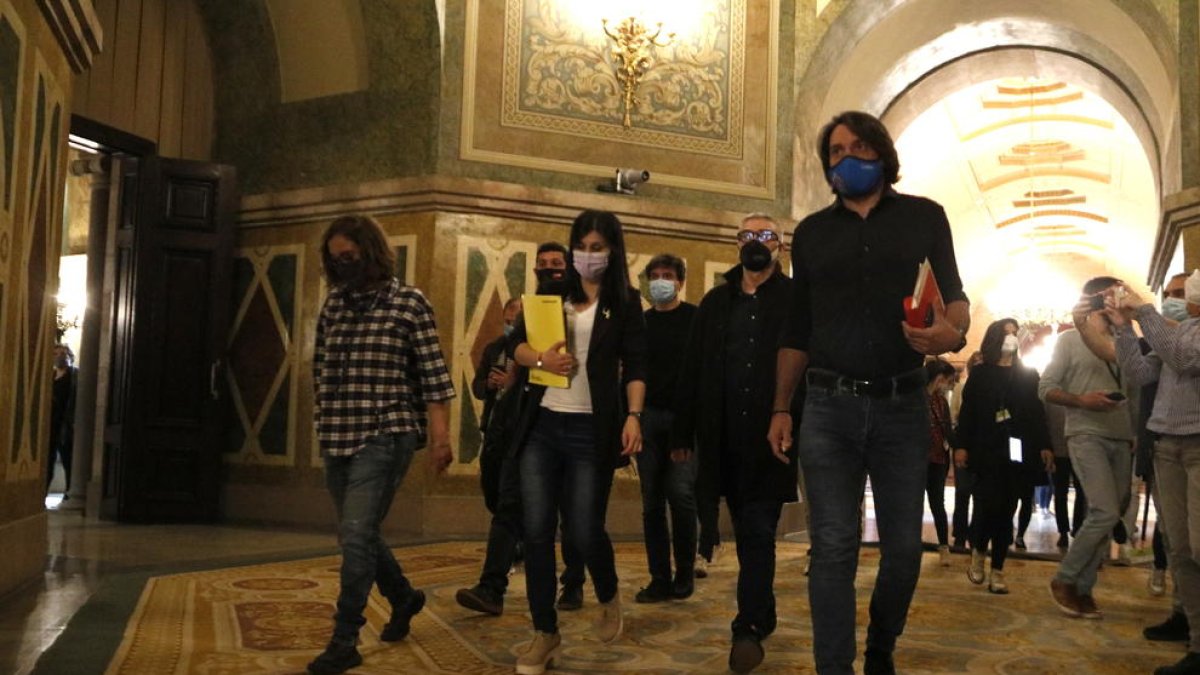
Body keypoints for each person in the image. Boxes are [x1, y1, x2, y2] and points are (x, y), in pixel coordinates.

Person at [769, 110, 970, 675]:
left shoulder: (925, 218)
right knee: (832, 547)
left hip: (901, 405)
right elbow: (796, 328)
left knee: (904, 551)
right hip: (828, 406)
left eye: (859, 147)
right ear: (827, 165)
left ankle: (882, 646)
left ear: (881, 153)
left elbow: (954, 296)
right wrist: (781, 406)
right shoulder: (811, 233)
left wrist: (950, 332)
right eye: (835, 151)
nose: (847, 158)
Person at [308, 215, 455, 675]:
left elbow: (434, 378)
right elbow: (320, 368)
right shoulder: (334, 304)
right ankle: (404, 597)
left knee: (354, 535)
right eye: (335, 260)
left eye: (349, 257)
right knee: (362, 533)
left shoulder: (409, 303)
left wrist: (440, 439)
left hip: (385, 432)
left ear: (370, 252)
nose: (342, 266)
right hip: (337, 433)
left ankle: (344, 637)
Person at [508, 210, 646, 675]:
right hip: (544, 425)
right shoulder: (551, 294)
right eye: (581, 246)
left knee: (585, 529)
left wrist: (633, 417)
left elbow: (637, 365)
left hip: (593, 427)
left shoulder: (625, 302)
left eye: (597, 247)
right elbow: (516, 346)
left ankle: (606, 592)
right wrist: (539, 356)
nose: (587, 255)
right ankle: (544, 633)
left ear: (612, 250)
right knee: (537, 529)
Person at [671, 213, 800, 673]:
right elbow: (693, 368)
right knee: (745, 529)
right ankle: (761, 612)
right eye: (748, 235)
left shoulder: (795, 299)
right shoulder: (714, 301)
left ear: (780, 246)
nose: (756, 242)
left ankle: (746, 627)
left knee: (758, 528)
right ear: (737, 243)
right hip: (723, 434)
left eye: (766, 235)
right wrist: (681, 433)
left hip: (771, 435)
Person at [455, 245, 587, 618]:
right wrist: (522, 368)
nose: (549, 271)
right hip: (527, 426)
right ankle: (491, 587)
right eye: (543, 266)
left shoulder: (583, 312)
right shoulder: (532, 314)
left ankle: (574, 582)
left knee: (572, 511)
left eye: (556, 265)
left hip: (570, 424)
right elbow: (516, 349)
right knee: (509, 505)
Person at [1106, 271, 1200, 674]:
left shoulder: (1184, 335)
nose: (1174, 300)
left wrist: (1143, 311)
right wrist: (1123, 329)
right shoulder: (1175, 332)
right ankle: (1197, 645)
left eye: (1181, 293)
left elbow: (1183, 358)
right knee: (1179, 549)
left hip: (1198, 446)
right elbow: (1141, 373)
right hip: (1166, 444)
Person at [1040, 276, 1137, 621]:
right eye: (1109, 296)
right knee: (1104, 510)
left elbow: (1139, 388)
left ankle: (1084, 587)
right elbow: (1046, 388)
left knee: (1116, 511)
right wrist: (1081, 400)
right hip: (1085, 432)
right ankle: (1065, 580)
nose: (1115, 301)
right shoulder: (1069, 340)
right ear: (1093, 299)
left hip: (1122, 436)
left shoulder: (1127, 339)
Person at [953, 319, 1054, 594]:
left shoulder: (1028, 374)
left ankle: (998, 569)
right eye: (1006, 333)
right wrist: (961, 446)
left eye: (1014, 333)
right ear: (995, 337)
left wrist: (1045, 445)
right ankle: (977, 555)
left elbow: (1036, 414)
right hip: (986, 449)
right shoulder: (981, 373)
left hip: (1017, 451)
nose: (1010, 338)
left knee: (1007, 509)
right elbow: (968, 413)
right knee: (985, 506)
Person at [635, 253, 699, 603]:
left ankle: (684, 572)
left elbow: (699, 377)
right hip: (646, 417)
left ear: (680, 281)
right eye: (655, 275)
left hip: (682, 420)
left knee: (681, 495)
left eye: (668, 275)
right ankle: (658, 577)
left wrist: (687, 428)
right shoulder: (640, 323)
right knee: (651, 502)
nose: (661, 280)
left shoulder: (695, 320)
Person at [923, 358, 957, 566]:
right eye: (948, 380)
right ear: (939, 378)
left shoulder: (940, 401)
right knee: (913, 504)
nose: (950, 384)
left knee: (938, 503)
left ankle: (944, 545)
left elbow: (947, 429)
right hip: (918, 459)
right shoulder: (917, 398)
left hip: (938, 459)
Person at [46, 343, 77, 497]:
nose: (60, 356)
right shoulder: (49, 376)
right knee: (48, 459)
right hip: (50, 424)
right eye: (56, 354)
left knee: (68, 459)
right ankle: (42, 493)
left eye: (63, 353)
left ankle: (70, 491)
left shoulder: (74, 376)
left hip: (66, 423)